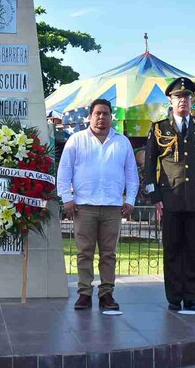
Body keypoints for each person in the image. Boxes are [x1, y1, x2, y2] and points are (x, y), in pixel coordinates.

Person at [57, 98, 139, 310]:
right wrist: (66, 198)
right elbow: (64, 171)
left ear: (112, 117)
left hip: (113, 207)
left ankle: (106, 294)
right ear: (90, 116)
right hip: (83, 207)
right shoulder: (76, 140)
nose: (101, 117)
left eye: (105, 113)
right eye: (97, 113)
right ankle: (84, 293)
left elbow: (131, 174)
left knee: (108, 254)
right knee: (84, 252)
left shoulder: (122, 142)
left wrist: (130, 200)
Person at [144, 77, 195, 312]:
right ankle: (174, 298)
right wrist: (155, 197)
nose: (182, 101)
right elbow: (149, 166)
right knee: (173, 248)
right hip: (170, 198)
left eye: (186, 97)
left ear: (191, 100)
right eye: (178, 97)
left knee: (192, 248)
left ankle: (191, 297)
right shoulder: (159, 128)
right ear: (171, 100)